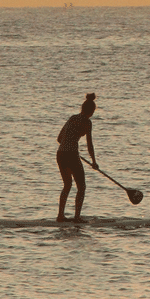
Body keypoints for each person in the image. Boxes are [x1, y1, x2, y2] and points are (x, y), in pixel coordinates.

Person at [56, 93, 98, 222]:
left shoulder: (72, 117)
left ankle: (60, 216)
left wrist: (70, 146)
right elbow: (90, 144)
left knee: (67, 185)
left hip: (61, 154)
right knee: (81, 187)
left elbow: (59, 139)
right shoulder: (87, 122)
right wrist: (94, 162)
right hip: (71, 155)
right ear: (91, 111)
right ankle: (77, 217)